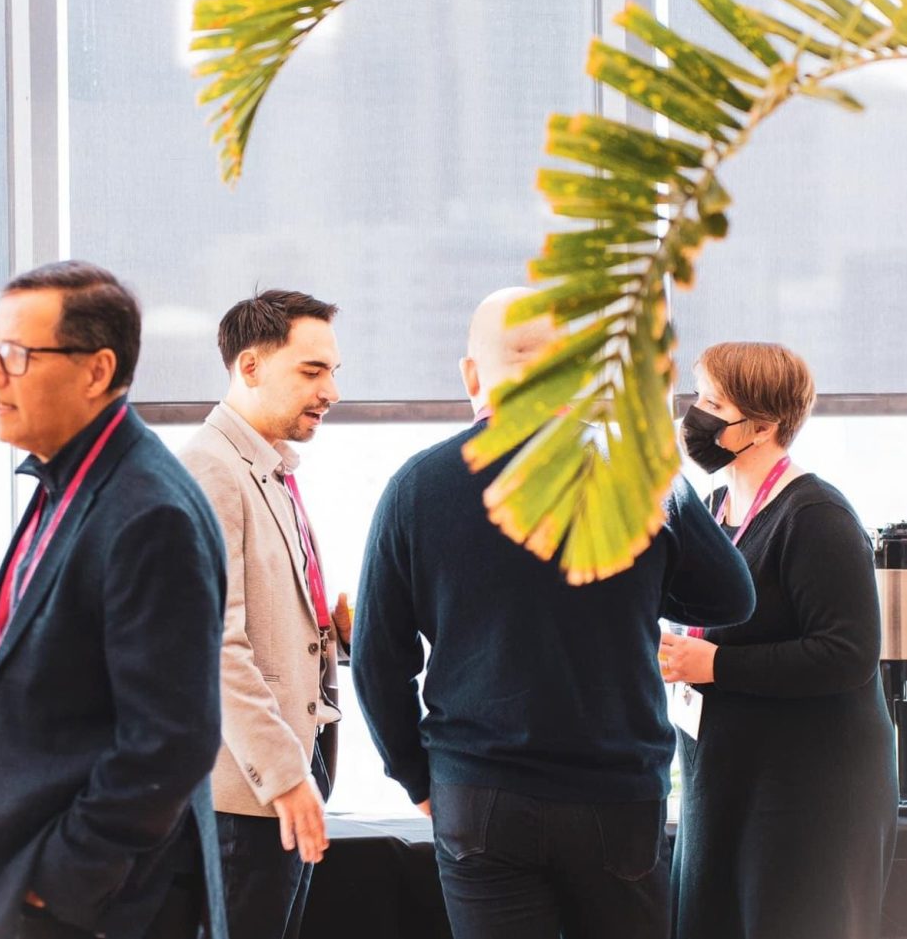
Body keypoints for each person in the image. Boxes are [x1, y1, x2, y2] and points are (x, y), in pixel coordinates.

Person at [351, 287, 756, 939]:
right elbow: (731, 597)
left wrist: (416, 778)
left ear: (472, 375)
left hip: (478, 793)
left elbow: (376, 661)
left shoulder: (416, 486)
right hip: (616, 791)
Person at [0, 261, 227, 939]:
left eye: (16, 354)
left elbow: (171, 742)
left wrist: (58, 884)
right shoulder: (71, 478)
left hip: (90, 907)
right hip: (26, 882)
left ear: (96, 371)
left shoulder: (148, 512)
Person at [663, 341, 898, 939]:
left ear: (764, 426)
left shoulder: (815, 516)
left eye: (715, 404)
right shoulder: (715, 507)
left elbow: (846, 654)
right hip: (727, 783)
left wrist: (717, 665)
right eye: (699, 397)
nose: (695, 416)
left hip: (804, 795)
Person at [178, 289, 351, 939]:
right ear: (249, 366)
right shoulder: (210, 468)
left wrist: (333, 635)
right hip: (248, 788)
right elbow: (213, 646)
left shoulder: (266, 467)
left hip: (289, 766)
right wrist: (283, 778)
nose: (331, 391)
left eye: (333, 371)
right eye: (312, 370)